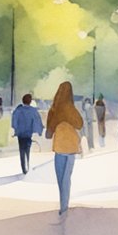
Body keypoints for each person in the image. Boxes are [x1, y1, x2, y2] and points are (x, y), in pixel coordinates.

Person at [45, 81, 84, 221]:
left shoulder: (54, 109)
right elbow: (80, 124)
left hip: (60, 146)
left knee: (60, 178)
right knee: (67, 177)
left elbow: (48, 132)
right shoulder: (71, 108)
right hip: (72, 146)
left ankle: (63, 207)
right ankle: (64, 206)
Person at [11, 94, 44, 175]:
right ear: (30, 101)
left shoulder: (18, 110)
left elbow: (14, 122)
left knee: (21, 150)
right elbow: (37, 122)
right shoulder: (33, 111)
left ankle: (24, 168)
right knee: (27, 149)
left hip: (20, 134)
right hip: (28, 134)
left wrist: (16, 130)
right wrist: (39, 131)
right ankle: (27, 165)